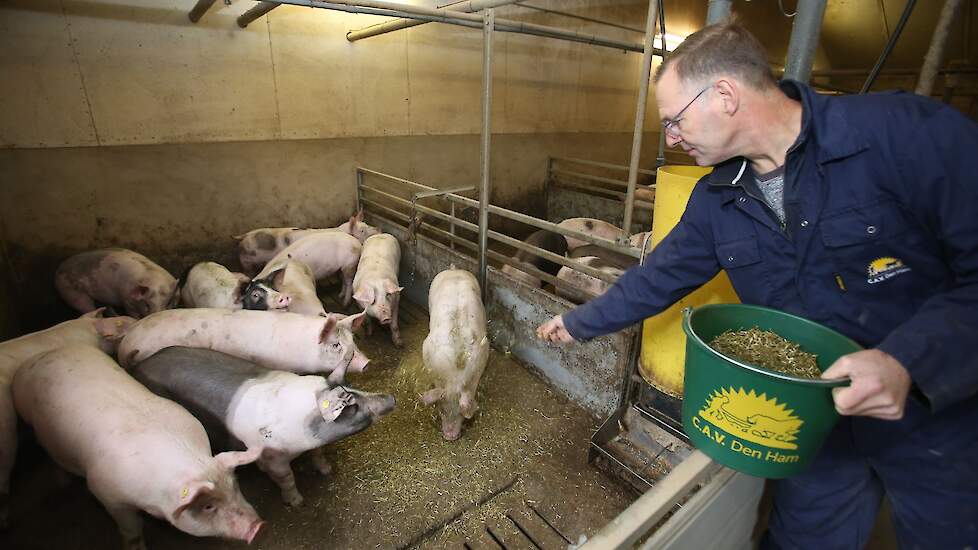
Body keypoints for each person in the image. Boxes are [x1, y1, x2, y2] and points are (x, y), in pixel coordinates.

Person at [536, 20, 978, 549]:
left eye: (674, 121)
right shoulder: (718, 199)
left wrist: (906, 360)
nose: (671, 138)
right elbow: (658, 279)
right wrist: (577, 322)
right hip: (816, 424)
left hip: (936, 422)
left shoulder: (905, 136)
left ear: (724, 94)